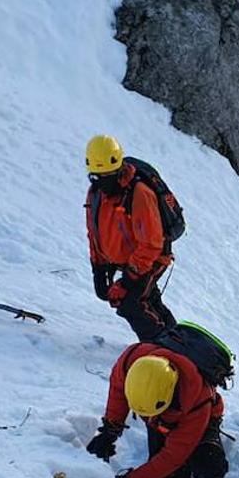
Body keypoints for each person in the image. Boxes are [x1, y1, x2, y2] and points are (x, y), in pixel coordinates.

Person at [86, 342, 227, 478]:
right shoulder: (130, 360)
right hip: (161, 417)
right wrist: (110, 429)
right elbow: (118, 392)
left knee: (206, 468)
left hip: (197, 419)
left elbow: (172, 456)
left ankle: (212, 477)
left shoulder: (197, 401)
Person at [84, 134, 176, 340]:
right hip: (127, 259)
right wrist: (98, 268)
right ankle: (176, 341)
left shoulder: (139, 193)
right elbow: (94, 233)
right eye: (96, 177)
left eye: (107, 177)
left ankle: (161, 347)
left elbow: (151, 244)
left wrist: (128, 280)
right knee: (146, 299)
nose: (101, 183)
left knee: (130, 301)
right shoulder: (96, 193)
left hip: (152, 258)